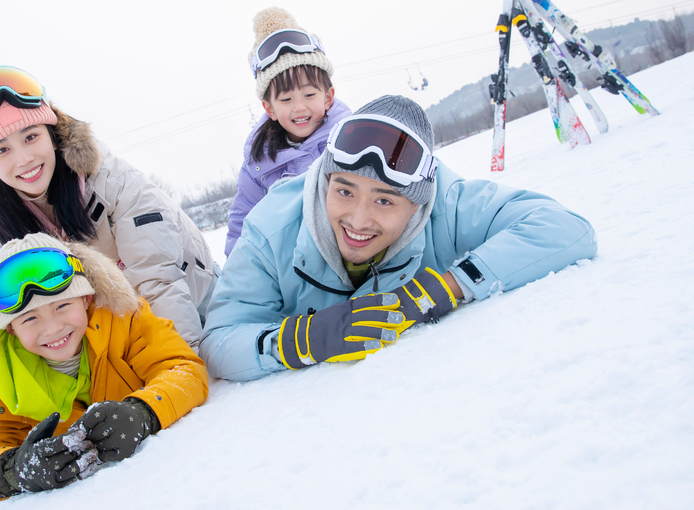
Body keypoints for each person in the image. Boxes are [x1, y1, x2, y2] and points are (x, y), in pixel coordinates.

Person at [201, 95, 598, 381]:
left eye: (385, 200)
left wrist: (445, 288)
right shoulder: (270, 228)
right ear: (325, 181)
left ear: (418, 203)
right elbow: (219, 341)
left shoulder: (446, 201)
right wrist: (306, 339)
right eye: (344, 191)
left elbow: (562, 227)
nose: (358, 220)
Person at [0, 233, 209, 502]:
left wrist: (143, 412)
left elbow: (184, 370)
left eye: (62, 306)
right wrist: (14, 471)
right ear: (11, 329)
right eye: (29, 319)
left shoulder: (123, 319)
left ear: (86, 299)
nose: (52, 328)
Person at [0, 65, 217, 346]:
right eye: (2, 150)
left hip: (199, 304)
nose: (24, 159)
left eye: (31, 137)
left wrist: (181, 361)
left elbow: (157, 280)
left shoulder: (113, 181)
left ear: (52, 136)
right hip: (112, 335)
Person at [225, 7, 352, 257]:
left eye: (309, 94)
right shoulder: (258, 164)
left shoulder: (351, 138)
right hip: (296, 267)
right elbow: (243, 223)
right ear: (269, 108)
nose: (299, 107)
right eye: (286, 99)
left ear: (328, 97)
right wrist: (237, 268)